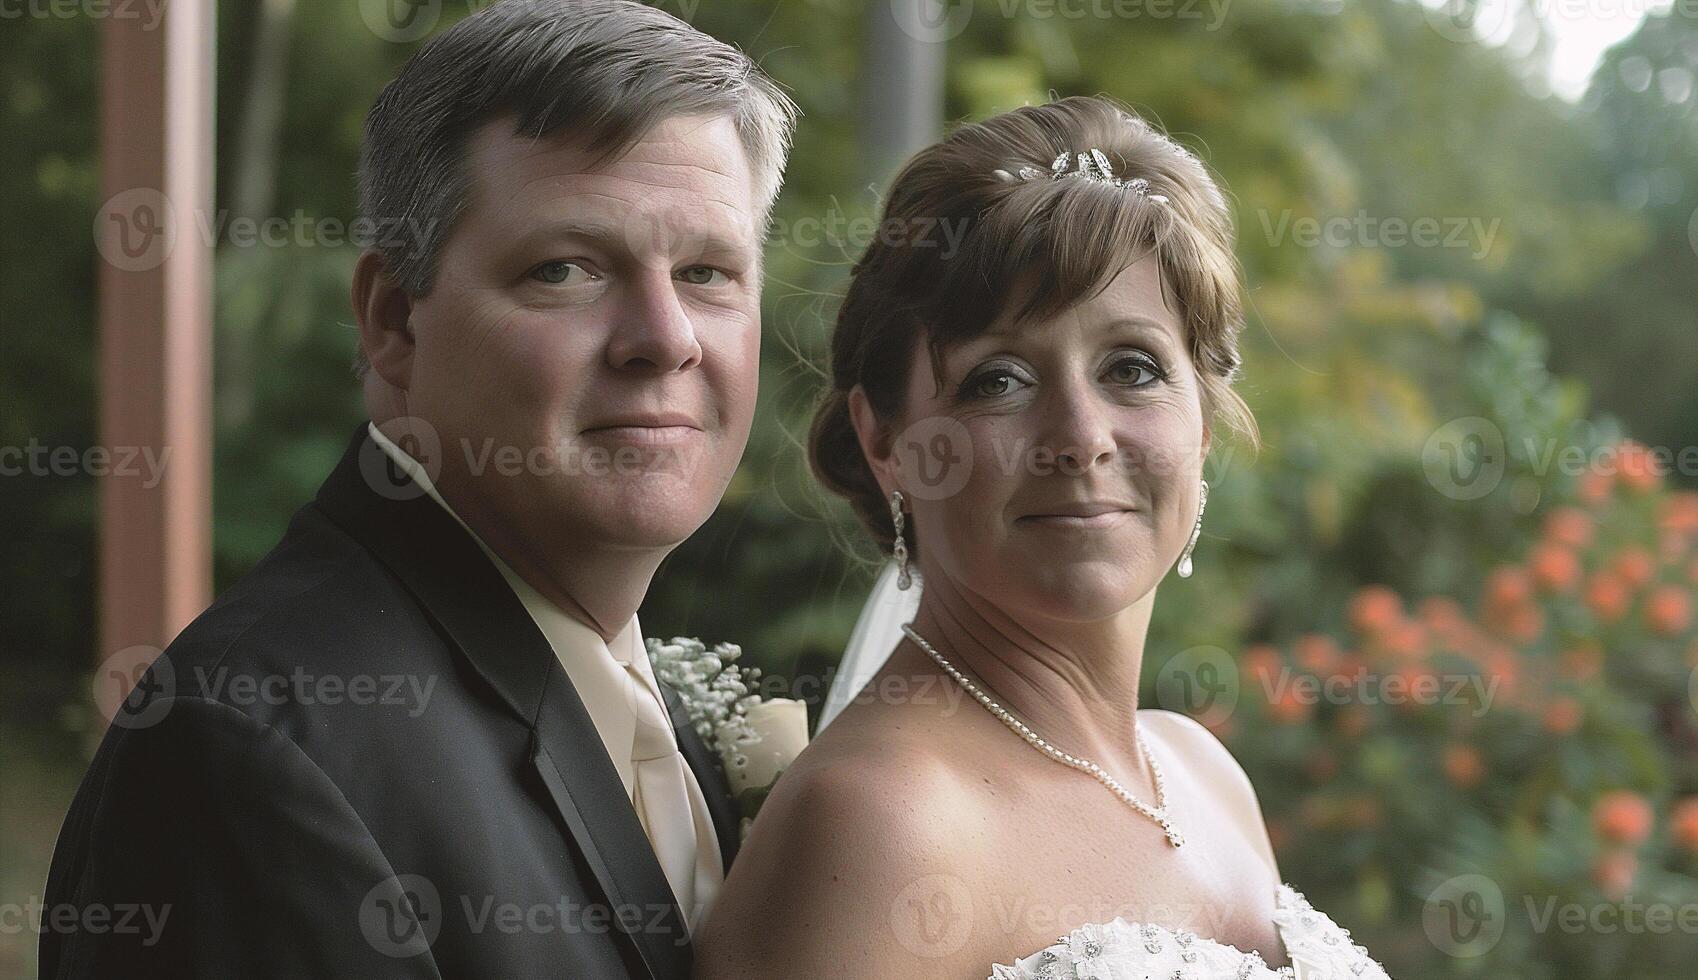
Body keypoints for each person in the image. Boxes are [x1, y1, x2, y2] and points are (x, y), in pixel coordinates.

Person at [40, 2, 794, 977]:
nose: (666, 335)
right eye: (565, 268)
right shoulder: (253, 756)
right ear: (395, 321)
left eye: (707, 271)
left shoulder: (640, 700)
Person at [695, 96, 1391, 979]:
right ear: (887, 443)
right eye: (999, 379)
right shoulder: (879, 822)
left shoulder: (1205, 776)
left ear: (1203, 423)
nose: (1080, 434)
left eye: (1131, 369)